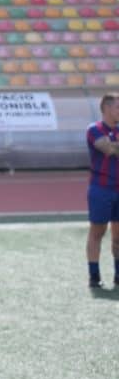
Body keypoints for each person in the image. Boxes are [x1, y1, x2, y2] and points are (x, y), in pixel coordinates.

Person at [84, 93, 119, 288]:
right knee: (97, 232)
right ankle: (94, 275)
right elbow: (107, 149)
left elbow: (112, 147)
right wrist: (112, 147)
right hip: (101, 189)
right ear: (106, 108)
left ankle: (118, 274)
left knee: (118, 235)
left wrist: (113, 146)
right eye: (118, 107)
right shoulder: (94, 129)